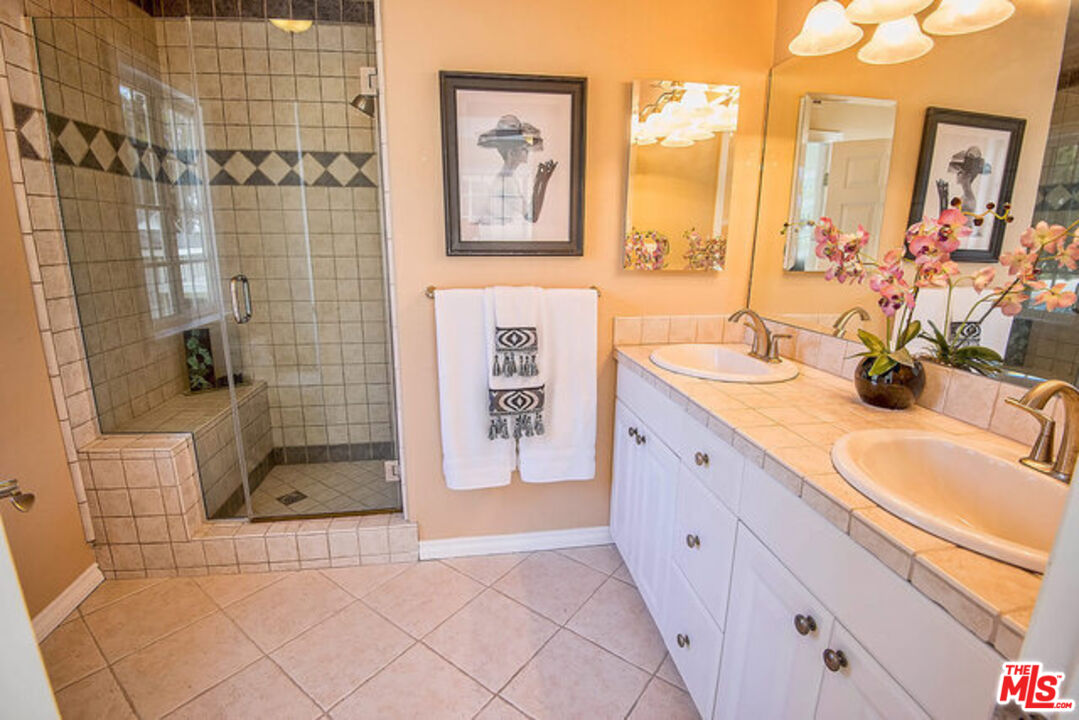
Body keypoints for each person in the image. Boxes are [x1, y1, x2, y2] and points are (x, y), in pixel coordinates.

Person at [474, 115, 557, 229]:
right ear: (511, 153)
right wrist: (541, 181)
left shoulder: (506, 177)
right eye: (524, 149)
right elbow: (531, 216)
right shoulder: (507, 182)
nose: (527, 152)